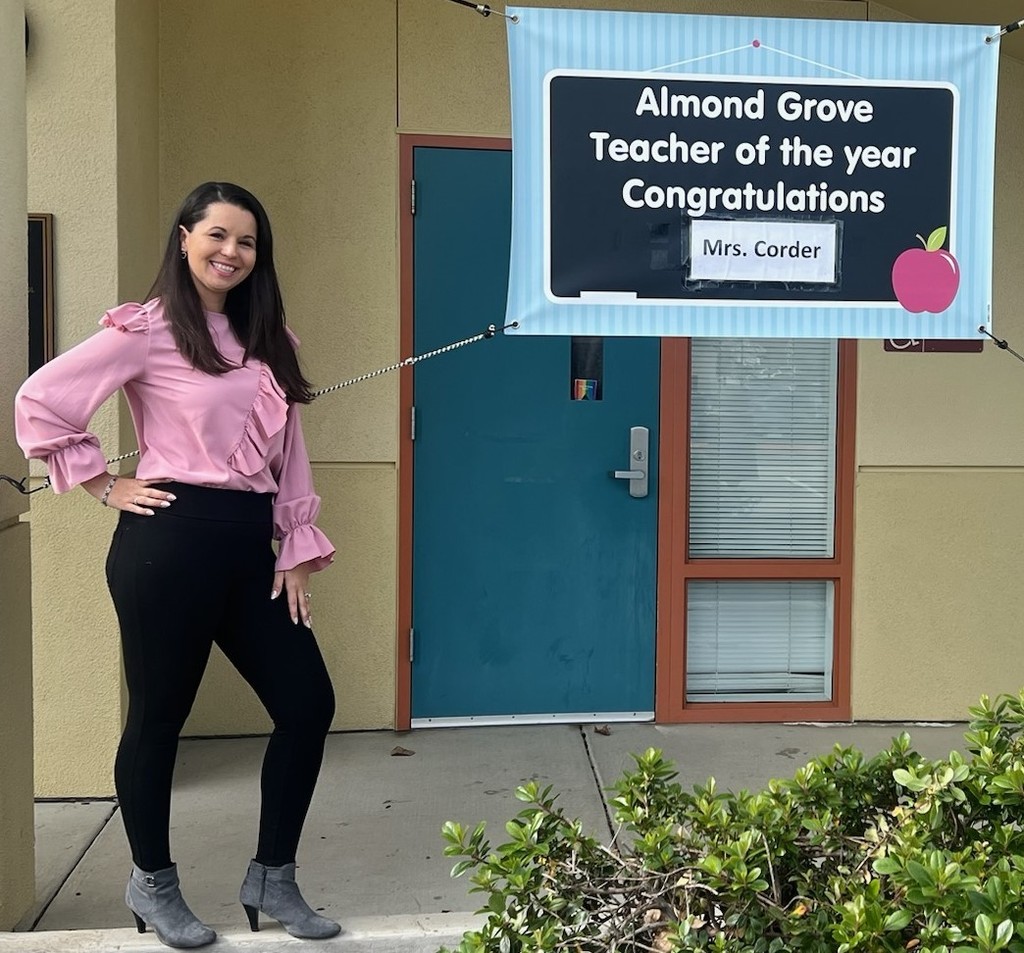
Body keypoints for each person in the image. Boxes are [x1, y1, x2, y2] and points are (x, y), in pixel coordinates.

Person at [15, 182, 341, 948]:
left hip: (247, 544)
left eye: (248, 241)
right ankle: (153, 881)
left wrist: (295, 550)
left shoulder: (272, 341)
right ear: (186, 237)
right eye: (217, 235)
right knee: (160, 716)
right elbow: (41, 398)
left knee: (307, 703)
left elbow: (289, 455)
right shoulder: (148, 329)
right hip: (168, 541)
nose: (231, 252)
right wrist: (103, 483)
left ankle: (273, 875)